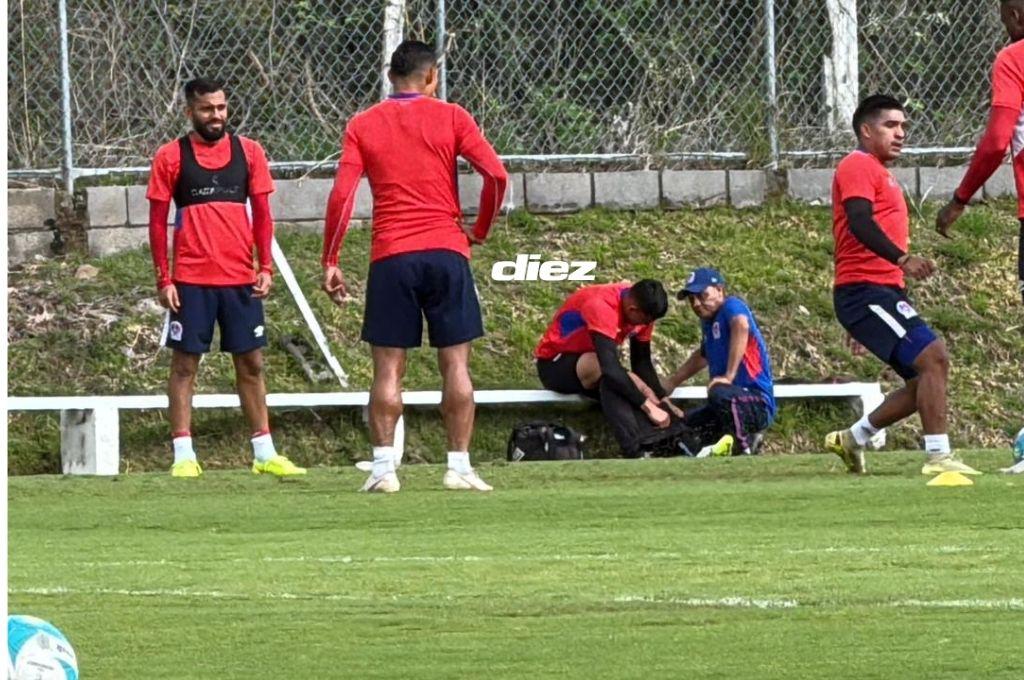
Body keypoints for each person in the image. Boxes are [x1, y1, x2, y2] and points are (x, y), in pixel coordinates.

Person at [321, 41, 508, 493]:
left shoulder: (363, 124)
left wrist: (330, 258)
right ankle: (458, 466)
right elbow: (497, 175)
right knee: (456, 364)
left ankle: (384, 468)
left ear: (390, 78)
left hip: (392, 255)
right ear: (432, 77)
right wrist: (478, 230)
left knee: (387, 369)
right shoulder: (452, 116)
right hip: (446, 250)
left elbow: (342, 195)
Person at [147, 77, 305, 478]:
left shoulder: (250, 153)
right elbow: (155, 223)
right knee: (185, 366)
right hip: (191, 281)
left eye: (220, 107)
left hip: (240, 280)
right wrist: (164, 278)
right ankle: (183, 455)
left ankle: (265, 453)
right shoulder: (171, 157)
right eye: (206, 109)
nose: (215, 115)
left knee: (251, 364)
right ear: (190, 112)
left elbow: (264, 216)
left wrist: (265, 266)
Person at [824, 94, 980, 476]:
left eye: (904, 127)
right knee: (934, 358)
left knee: (923, 378)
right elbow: (859, 221)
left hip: (880, 293)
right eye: (891, 125)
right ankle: (938, 457)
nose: (900, 133)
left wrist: (892, 295)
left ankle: (852, 439)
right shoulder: (857, 164)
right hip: (864, 291)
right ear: (865, 130)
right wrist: (901, 259)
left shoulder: (879, 171)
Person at [535, 279, 693, 458]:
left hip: (596, 367)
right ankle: (636, 448)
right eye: (645, 321)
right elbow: (608, 366)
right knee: (612, 374)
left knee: (616, 383)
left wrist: (664, 401)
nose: (647, 325)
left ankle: (650, 446)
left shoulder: (643, 311)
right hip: (555, 366)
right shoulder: (601, 305)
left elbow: (641, 362)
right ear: (632, 309)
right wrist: (648, 405)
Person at [936, 0, 1024, 305]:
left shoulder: (1014, 57)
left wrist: (960, 199)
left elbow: (997, 141)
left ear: (1015, 16)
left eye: (1005, 23)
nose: (1007, 31)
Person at [663, 268, 775, 456]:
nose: (697, 304)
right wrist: (672, 382)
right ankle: (704, 456)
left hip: (755, 401)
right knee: (684, 424)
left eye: (702, 295)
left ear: (720, 290)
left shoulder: (731, 306)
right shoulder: (708, 323)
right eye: (692, 300)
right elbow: (703, 355)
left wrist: (729, 376)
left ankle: (745, 446)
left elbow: (741, 325)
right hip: (725, 403)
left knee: (718, 392)